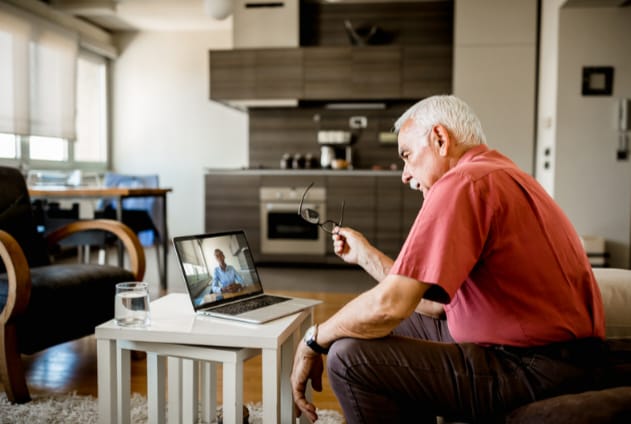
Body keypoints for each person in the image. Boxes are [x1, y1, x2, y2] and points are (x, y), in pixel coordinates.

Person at [290, 95, 608, 423]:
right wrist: (365, 254)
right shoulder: (498, 173)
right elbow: (433, 304)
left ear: (440, 139)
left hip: (530, 367)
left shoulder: (463, 183)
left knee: (348, 357)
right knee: (359, 329)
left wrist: (314, 340)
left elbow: (390, 306)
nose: (404, 174)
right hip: (559, 358)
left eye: (407, 156)